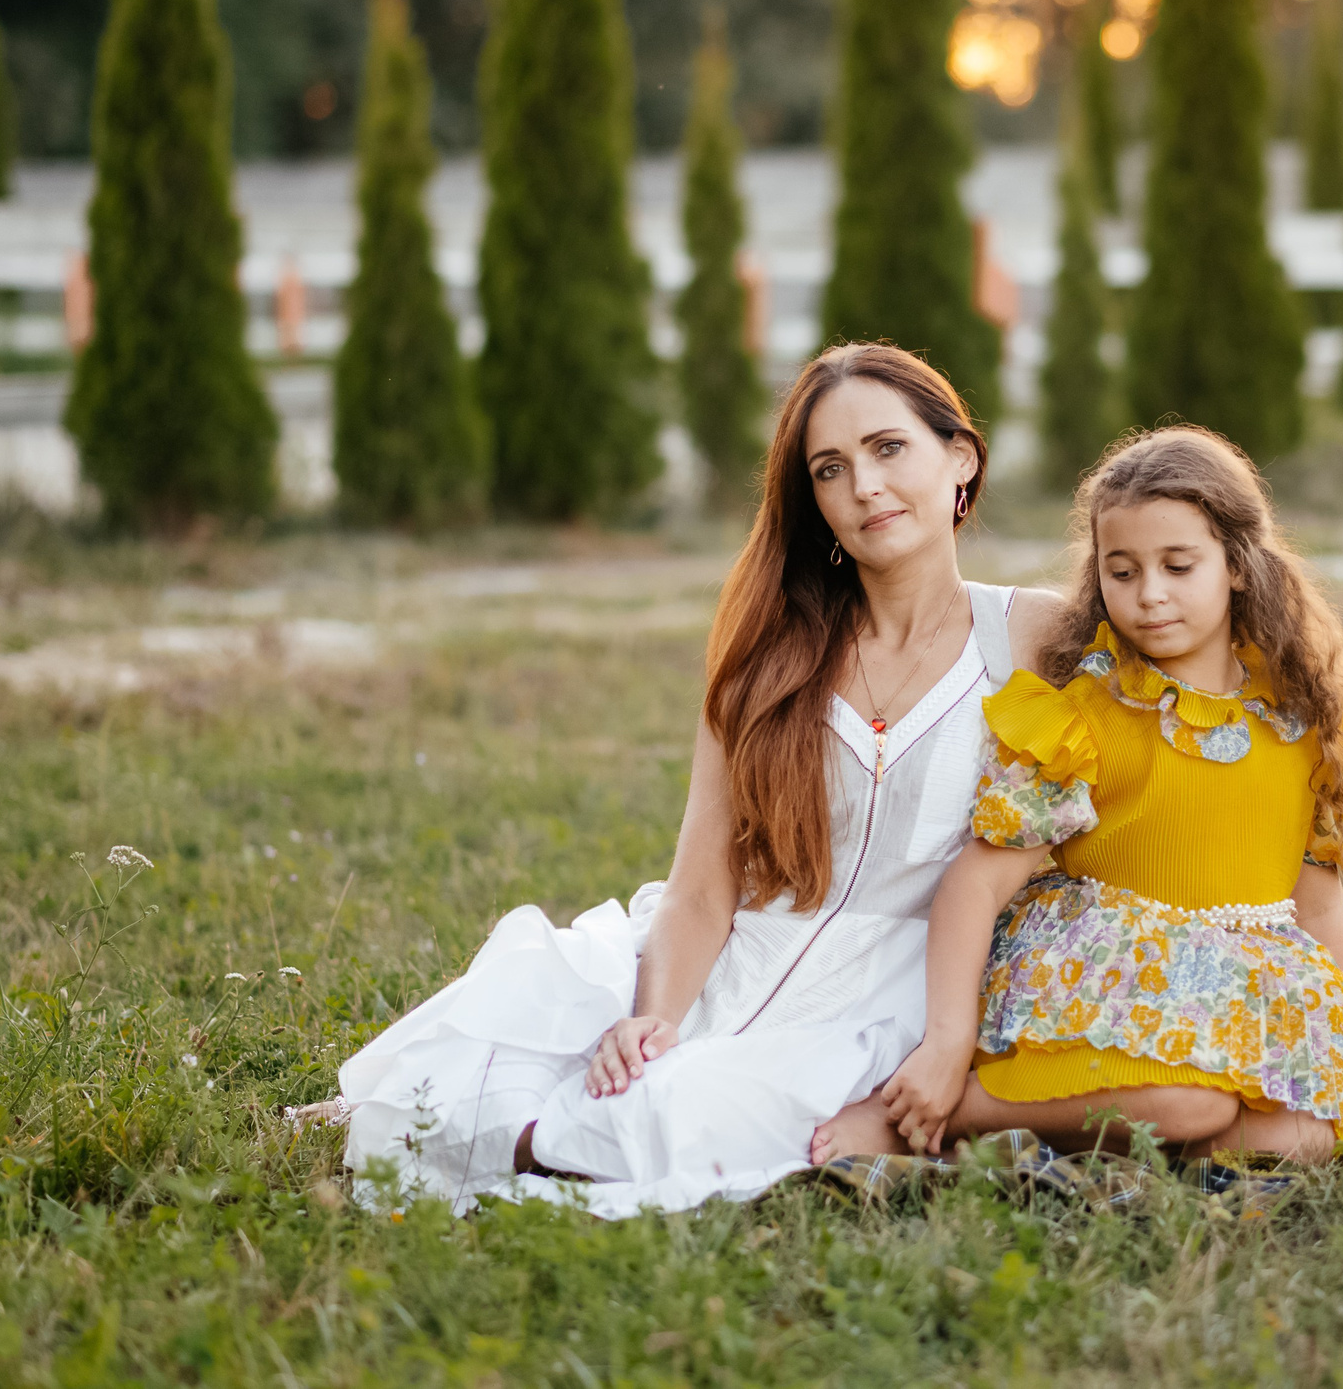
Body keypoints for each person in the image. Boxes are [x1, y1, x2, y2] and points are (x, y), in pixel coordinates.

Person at [311, 343, 1066, 1215]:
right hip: (728, 951)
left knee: (665, 1117)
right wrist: (650, 1017)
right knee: (490, 1053)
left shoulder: (1031, 636)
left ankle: (514, 1148)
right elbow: (703, 882)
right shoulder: (770, 661)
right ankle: (463, 1126)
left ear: (960, 459)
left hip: (889, 996)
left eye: (889, 448)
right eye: (831, 468)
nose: (864, 486)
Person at [830, 426, 1343, 1166]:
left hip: (1238, 1002)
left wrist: (1339, 1044)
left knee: (1305, 1133)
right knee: (1190, 1101)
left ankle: (1122, 1147)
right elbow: (976, 883)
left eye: (1179, 566)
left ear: (1239, 565)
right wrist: (947, 1043)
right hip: (1101, 1002)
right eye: (1122, 570)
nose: (1149, 595)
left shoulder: (1309, 722)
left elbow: (1318, 901)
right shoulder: (1090, 719)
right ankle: (937, 1114)